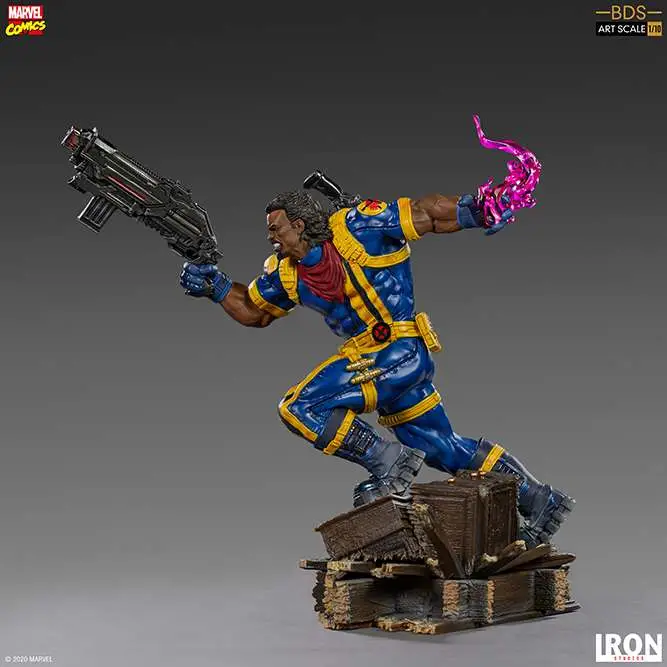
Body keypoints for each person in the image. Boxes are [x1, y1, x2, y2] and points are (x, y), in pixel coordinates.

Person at [179, 189, 574, 547]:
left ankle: (388, 462)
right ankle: (540, 499)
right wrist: (217, 287)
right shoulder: (287, 272)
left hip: (397, 350)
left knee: (300, 407)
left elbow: (427, 214)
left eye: (276, 228)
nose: (271, 237)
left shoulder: (358, 228)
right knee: (443, 447)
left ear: (298, 225)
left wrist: (480, 208)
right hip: (386, 363)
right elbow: (253, 310)